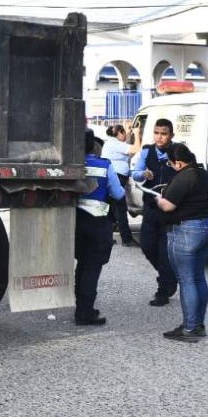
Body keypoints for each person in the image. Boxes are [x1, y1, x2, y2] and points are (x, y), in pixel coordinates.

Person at [156, 143, 208, 342]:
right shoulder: (204, 175)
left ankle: (189, 329)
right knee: (199, 278)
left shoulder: (184, 177)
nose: (171, 167)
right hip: (205, 228)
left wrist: (157, 199)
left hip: (186, 231)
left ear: (179, 163)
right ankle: (198, 324)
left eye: (172, 164)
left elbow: (167, 205)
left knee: (187, 280)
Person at [75, 130, 126, 327]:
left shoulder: (71, 165)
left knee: (82, 264)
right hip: (97, 223)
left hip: (75, 222)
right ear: (93, 146)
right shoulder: (104, 165)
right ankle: (85, 314)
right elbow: (118, 194)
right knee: (92, 268)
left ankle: (81, 307)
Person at [131, 118, 179, 306]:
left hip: (170, 210)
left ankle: (164, 289)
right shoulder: (146, 152)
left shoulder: (177, 152)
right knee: (147, 246)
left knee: (164, 251)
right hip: (151, 207)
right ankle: (169, 277)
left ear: (171, 135)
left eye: (164, 133)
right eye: (157, 133)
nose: (159, 137)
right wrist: (143, 174)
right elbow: (134, 173)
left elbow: (188, 172)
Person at [101, 125, 136, 246]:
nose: (126, 136)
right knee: (121, 208)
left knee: (110, 210)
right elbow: (136, 149)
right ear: (119, 133)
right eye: (124, 133)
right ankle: (127, 239)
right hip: (115, 178)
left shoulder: (112, 143)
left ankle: (106, 238)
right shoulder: (114, 144)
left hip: (114, 177)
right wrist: (136, 133)